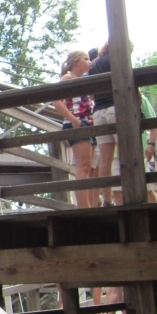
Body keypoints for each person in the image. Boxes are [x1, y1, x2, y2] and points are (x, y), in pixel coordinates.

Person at [54, 50, 95, 209]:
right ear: (76, 61)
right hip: (77, 123)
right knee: (83, 166)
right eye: (86, 59)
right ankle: (84, 207)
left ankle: (89, 204)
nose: (89, 62)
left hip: (87, 123)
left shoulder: (83, 80)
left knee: (88, 166)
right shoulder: (68, 78)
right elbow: (57, 101)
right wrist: (73, 120)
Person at [88, 42, 116, 207]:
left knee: (106, 160)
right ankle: (129, 193)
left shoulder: (94, 64)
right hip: (115, 107)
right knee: (126, 153)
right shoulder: (117, 58)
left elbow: (91, 95)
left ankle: (107, 199)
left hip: (99, 111)